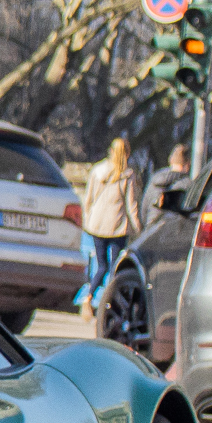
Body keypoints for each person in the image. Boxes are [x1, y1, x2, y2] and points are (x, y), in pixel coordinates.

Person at [79, 135, 144, 317]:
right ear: (127, 154)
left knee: (101, 266)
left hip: (96, 225)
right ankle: (111, 304)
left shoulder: (97, 170)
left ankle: (88, 298)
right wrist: (139, 230)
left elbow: (88, 199)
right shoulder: (127, 175)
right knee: (116, 269)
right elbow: (132, 207)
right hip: (117, 227)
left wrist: (88, 219)